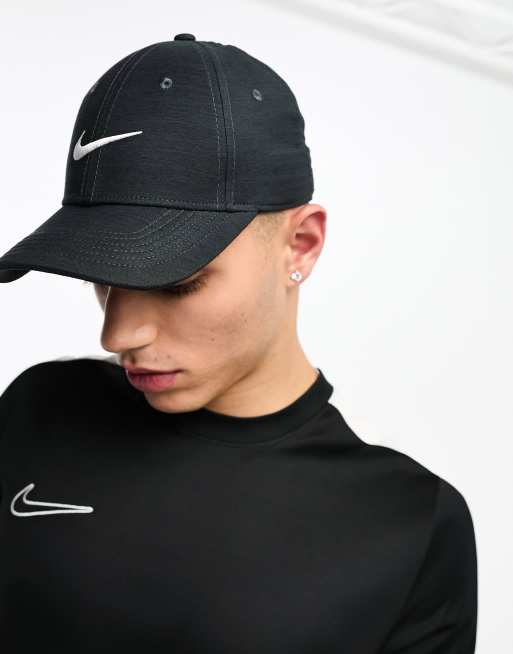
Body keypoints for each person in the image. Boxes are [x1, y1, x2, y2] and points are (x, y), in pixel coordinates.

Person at [0, 34, 477, 653]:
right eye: (104, 275)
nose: (117, 335)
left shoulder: (409, 524)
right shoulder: (40, 409)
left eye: (176, 283)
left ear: (300, 245)